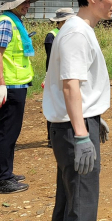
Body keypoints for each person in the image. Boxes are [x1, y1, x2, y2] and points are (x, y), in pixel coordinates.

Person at [43, 0, 112, 221]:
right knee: (82, 206)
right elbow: (70, 85)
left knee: (69, 200)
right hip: (73, 129)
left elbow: (75, 86)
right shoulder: (77, 32)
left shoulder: (77, 29)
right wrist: (81, 134)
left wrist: (93, 116)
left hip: (74, 122)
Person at [0, 0, 39, 194]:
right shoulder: (7, 23)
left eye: (28, 2)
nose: (27, 5)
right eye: (23, 2)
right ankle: (1, 179)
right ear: (12, 4)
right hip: (9, 86)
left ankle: (3, 172)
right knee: (8, 133)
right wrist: (0, 84)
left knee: (10, 132)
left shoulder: (13, 22)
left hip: (15, 85)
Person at [43, 8, 76, 148]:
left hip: (69, 73)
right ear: (61, 21)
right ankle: (52, 138)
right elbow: (51, 59)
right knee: (55, 103)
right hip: (56, 74)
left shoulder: (70, 33)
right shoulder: (52, 36)